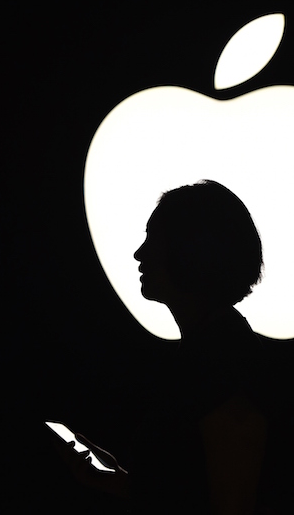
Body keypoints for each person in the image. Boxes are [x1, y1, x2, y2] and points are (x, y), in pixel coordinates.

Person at [53, 180, 269, 515]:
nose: (139, 253)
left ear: (191, 250)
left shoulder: (222, 360)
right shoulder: (211, 351)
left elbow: (232, 503)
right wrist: (119, 481)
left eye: (153, 238)